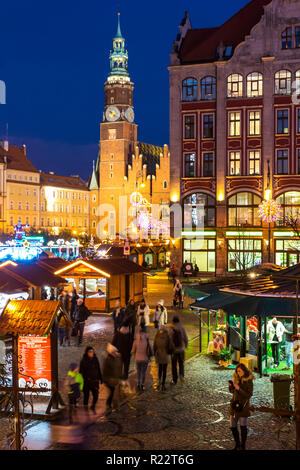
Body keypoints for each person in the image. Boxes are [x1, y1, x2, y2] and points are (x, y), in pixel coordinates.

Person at [228, 363, 254, 450]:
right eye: (237, 371)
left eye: (239, 371)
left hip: (243, 406)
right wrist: (231, 387)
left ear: (244, 371)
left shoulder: (249, 380)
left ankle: (243, 446)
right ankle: (237, 444)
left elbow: (249, 395)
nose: (238, 372)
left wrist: (239, 388)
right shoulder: (236, 378)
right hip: (234, 405)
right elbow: (233, 392)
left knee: (243, 426)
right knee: (232, 426)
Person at [102, 343, 123, 415]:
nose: (115, 353)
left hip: (115, 379)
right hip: (109, 380)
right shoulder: (108, 359)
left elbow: (120, 367)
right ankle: (110, 405)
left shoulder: (118, 357)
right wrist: (106, 379)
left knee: (114, 393)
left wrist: (120, 376)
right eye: (113, 352)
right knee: (112, 393)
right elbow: (105, 370)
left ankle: (113, 406)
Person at [79, 346, 102, 413]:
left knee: (96, 395)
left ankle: (93, 406)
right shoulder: (83, 361)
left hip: (94, 381)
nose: (92, 353)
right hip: (86, 382)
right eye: (90, 352)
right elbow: (81, 372)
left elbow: (98, 369)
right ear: (87, 352)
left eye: (92, 351)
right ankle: (86, 409)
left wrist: (101, 378)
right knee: (86, 396)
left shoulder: (95, 359)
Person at [131, 325, 153, 392]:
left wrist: (135, 356)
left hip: (138, 359)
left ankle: (138, 383)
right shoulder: (147, 340)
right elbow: (151, 350)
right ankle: (142, 385)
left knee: (139, 371)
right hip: (145, 359)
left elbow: (132, 351)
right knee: (143, 372)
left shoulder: (136, 340)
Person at [153, 325, 174, 391]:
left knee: (160, 369)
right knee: (164, 370)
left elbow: (154, 346)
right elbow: (171, 345)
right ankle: (163, 384)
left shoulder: (157, 336)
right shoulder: (167, 336)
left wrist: (155, 353)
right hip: (165, 355)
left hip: (159, 354)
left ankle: (159, 382)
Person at [169, 316, 188, 385]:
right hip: (181, 349)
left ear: (173, 321)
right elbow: (185, 338)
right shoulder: (182, 328)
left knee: (174, 365)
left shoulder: (171, 329)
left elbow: (169, 339)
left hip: (174, 350)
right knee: (181, 363)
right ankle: (181, 375)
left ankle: (174, 380)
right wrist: (185, 346)